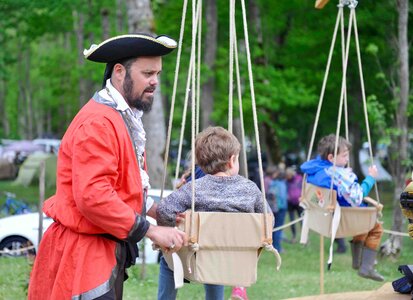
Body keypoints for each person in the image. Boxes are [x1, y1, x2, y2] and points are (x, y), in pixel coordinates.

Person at [28, 33, 188, 299]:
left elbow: (123, 186)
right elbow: (94, 196)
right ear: (118, 72)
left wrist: (157, 212)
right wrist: (150, 229)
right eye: (147, 73)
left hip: (102, 251)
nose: (155, 82)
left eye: (158, 74)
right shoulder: (98, 122)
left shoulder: (121, 117)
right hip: (83, 256)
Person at [157, 126, 268, 300]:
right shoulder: (250, 189)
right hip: (234, 258)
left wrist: (170, 229)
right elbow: (267, 220)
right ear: (232, 160)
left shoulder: (193, 188)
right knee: (216, 255)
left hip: (197, 255)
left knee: (168, 257)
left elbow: (164, 209)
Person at [300, 134, 384, 281]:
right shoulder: (339, 176)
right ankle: (366, 267)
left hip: (322, 214)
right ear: (331, 158)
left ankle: (359, 263)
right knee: (375, 227)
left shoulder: (315, 170)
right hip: (345, 217)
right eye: (344, 155)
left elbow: (316, 195)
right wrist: (370, 178)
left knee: (365, 226)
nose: (347, 158)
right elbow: (357, 197)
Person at [267, 165, 288, 252]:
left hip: (273, 208)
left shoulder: (272, 184)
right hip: (281, 208)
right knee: (279, 228)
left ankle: (273, 245)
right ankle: (278, 248)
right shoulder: (281, 185)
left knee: (274, 228)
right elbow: (283, 197)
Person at [285, 166, 303, 243]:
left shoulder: (299, 179)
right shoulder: (286, 181)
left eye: (288, 175)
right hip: (290, 203)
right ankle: (294, 236)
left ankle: (304, 238)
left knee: (302, 220)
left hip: (299, 202)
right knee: (292, 220)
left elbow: (303, 188)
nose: (287, 177)